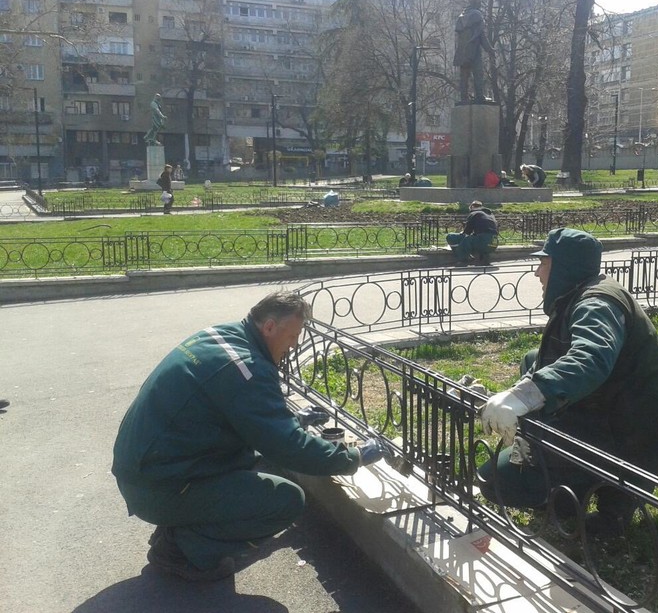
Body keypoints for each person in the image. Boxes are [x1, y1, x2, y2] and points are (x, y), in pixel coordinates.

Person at [112, 292, 386, 581]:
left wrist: (293, 420)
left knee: (245, 461)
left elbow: (245, 417)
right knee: (285, 500)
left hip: (149, 471)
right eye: (292, 336)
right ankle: (181, 551)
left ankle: (180, 525)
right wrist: (353, 457)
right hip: (157, 487)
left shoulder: (221, 335)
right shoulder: (246, 368)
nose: (294, 345)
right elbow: (289, 447)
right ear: (269, 327)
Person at [478, 228, 658, 536]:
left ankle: (603, 497)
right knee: (531, 358)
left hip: (632, 437)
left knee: (494, 479)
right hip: (616, 412)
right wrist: (513, 393)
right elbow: (548, 359)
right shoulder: (583, 292)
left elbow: (591, 358)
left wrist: (526, 396)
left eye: (544, 263)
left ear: (563, 266)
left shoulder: (596, 303)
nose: (537, 272)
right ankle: (585, 481)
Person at [453, 0, 495, 103]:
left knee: (464, 76)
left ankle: (463, 98)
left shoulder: (461, 17)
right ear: (476, 3)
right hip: (474, 50)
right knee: (478, 74)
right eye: (479, 2)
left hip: (462, 52)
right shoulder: (477, 15)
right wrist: (490, 49)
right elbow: (481, 35)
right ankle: (479, 96)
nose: (481, 4)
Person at [446, 200, 499, 266]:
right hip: (494, 243)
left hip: (483, 241)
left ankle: (464, 260)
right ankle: (484, 259)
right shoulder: (490, 214)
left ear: (472, 207)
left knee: (464, 239)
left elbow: (467, 232)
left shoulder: (474, 213)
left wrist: (462, 233)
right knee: (473, 239)